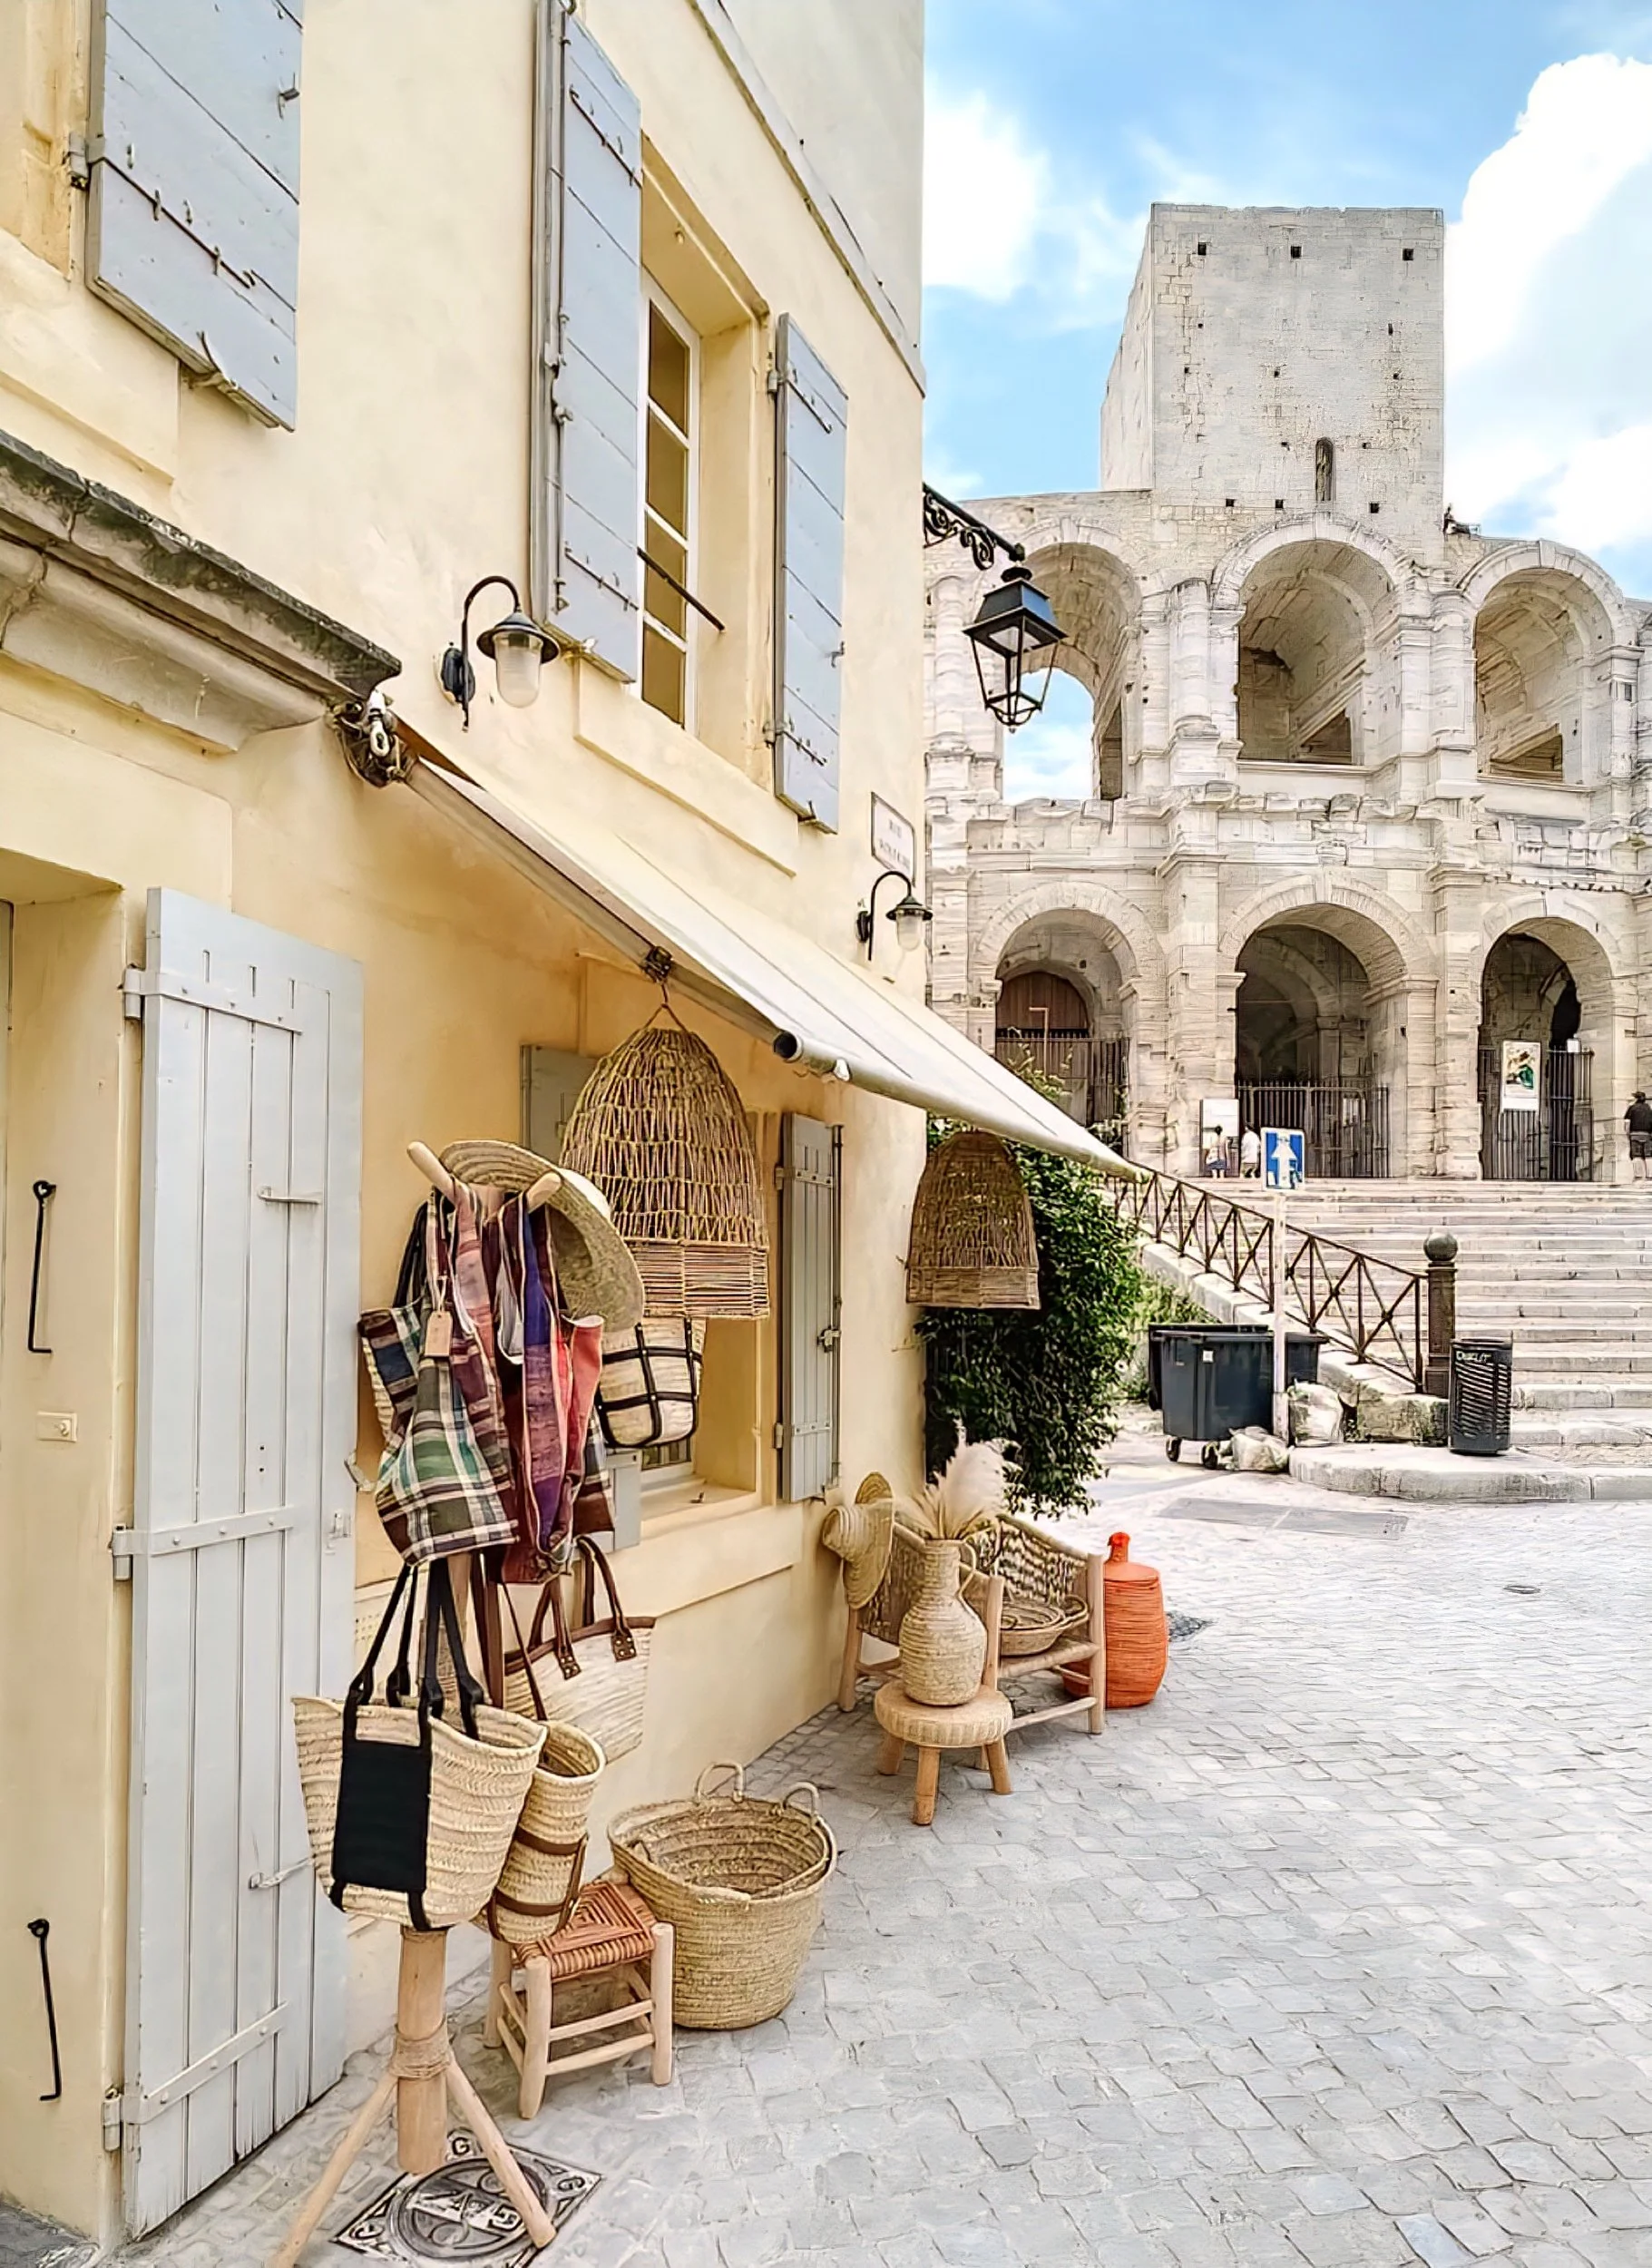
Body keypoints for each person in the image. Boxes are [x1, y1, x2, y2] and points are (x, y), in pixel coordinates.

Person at [1626, 1091, 1652, 1181]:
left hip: (1635, 1135)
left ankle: (1638, 1176)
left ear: (1636, 1099)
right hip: (1647, 1135)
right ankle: (1650, 1176)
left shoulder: (1632, 1108)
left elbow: (1627, 1123)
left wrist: (1628, 1134)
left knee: (1636, 1155)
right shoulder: (1649, 1108)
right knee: (1648, 1155)